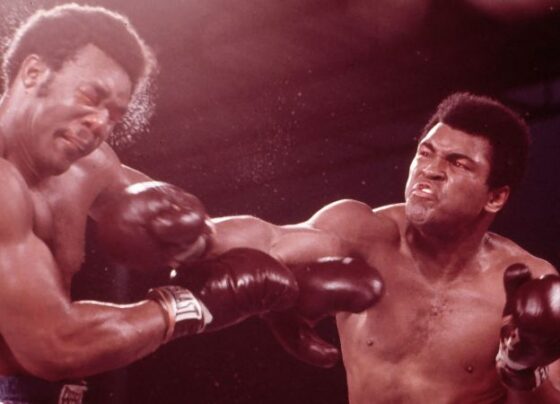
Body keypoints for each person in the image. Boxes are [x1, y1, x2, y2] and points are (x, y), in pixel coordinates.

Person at [0, 4, 385, 403]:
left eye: (114, 115)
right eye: (90, 96)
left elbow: (205, 237)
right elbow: (53, 346)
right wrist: (189, 305)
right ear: (33, 74)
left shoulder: (89, 167)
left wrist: (291, 284)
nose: (100, 124)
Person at [208, 92, 560, 403]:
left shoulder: (530, 283)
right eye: (426, 153)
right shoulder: (361, 235)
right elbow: (270, 239)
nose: (431, 170)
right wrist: (195, 232)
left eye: (458, 163)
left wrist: (522, 372)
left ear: (496, 197)